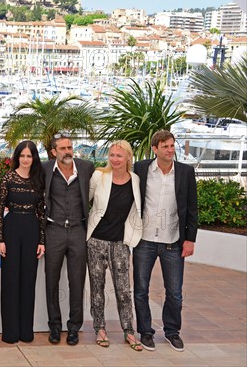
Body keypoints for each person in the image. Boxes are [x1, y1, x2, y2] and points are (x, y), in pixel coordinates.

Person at [133, 130, 198, 352]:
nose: (170, 150)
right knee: (141, 290)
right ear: (155, 149)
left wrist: (190, 239)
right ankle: (146, 332)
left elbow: (192, 207)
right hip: (144, 240)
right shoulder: (141, 169)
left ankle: (172, 332)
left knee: (175, 292)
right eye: (165, 146)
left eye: (172, 146)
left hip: (174, 241)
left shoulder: (186, 172)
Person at [86, 140, 143, 351]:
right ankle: (99, 328)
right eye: (112, 155)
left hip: (121, 243)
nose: (115, 159)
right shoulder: (99, 176)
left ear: (128, 157)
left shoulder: (135, 180)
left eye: (119, 156)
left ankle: (129, 331)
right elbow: (85, 201)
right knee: (97, 289)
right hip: (96, 242)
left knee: (123, 290)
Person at [42, 132, 94, 346]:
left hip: (78, 230)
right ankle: (54, 327)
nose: (68, 152)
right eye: (63, 149)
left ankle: (74, 328)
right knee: (51, 281)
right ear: (54, 152)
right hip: (53, 230)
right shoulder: (45, 169)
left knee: (77, 281)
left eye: (70, 147)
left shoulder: (86, 167)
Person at [0, 140, 45, 344]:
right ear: (17, 157)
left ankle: (26, 331)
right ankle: (10, 333)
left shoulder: (38, 179)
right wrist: (0, 238)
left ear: (34, 158)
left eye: (29, 156)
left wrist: (42, 240)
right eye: (23, 155)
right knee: (10, 281)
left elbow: (41, 211)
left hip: (32, 230)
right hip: (11, 229)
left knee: (28, 281)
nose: (26, 159)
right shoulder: (7, 177)